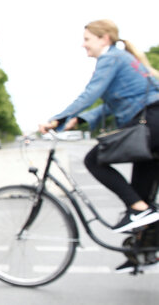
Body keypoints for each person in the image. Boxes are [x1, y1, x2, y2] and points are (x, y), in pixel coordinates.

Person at [39, 19, 159, 271]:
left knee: (94, 160)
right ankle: (142, 254)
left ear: (104, 38)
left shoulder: (111, 58)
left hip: (150, 124)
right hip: (152, 125)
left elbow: (91, 93)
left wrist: (58, 118)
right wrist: (79, 119)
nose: (83, 45)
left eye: (87, 39)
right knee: (140, 199)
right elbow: (113, 103)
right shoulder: (123, 58)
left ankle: (141, 218)